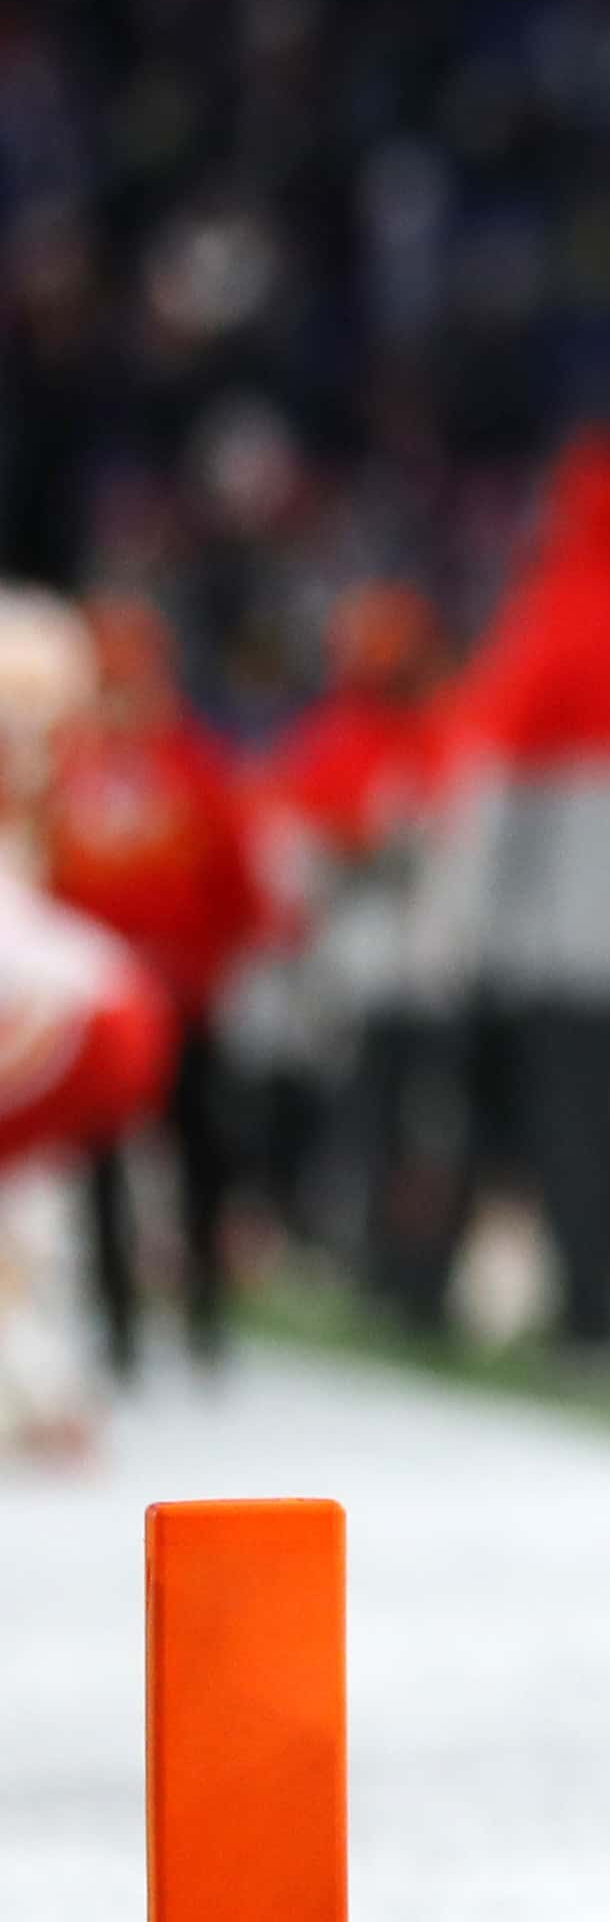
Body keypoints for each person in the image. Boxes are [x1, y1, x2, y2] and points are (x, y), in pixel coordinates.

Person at [420, 429, 610, 1365]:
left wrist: (457, 924)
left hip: (563, 943)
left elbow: (486, 798)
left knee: (572, 1131)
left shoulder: (542, 626)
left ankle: (594, 1318)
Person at [36, 596, 263, 1379]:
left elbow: (235, 879)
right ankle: (118, 1319)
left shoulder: (196, 764)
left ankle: (204, 1311)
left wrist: (209, 965)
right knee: (100, 1163)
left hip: (181, 997)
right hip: (97, 999)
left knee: (198, 1152)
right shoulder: (64, 771)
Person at [258, 582, 455, 1331]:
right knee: (357, 1123)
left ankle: (419, 1279)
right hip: (356, 964)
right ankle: (360, 1264)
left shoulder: (441, 729)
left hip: (427, 969)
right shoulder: (330, 737)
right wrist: (361, 848)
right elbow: (295, 856)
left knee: (425, 1129)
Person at [0, 862, 170, 1452]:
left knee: (19, 1218)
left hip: (80, 1025)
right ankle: (49, 1389)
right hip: (123, 1004)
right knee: (26, 1209)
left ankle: (46, 1392)